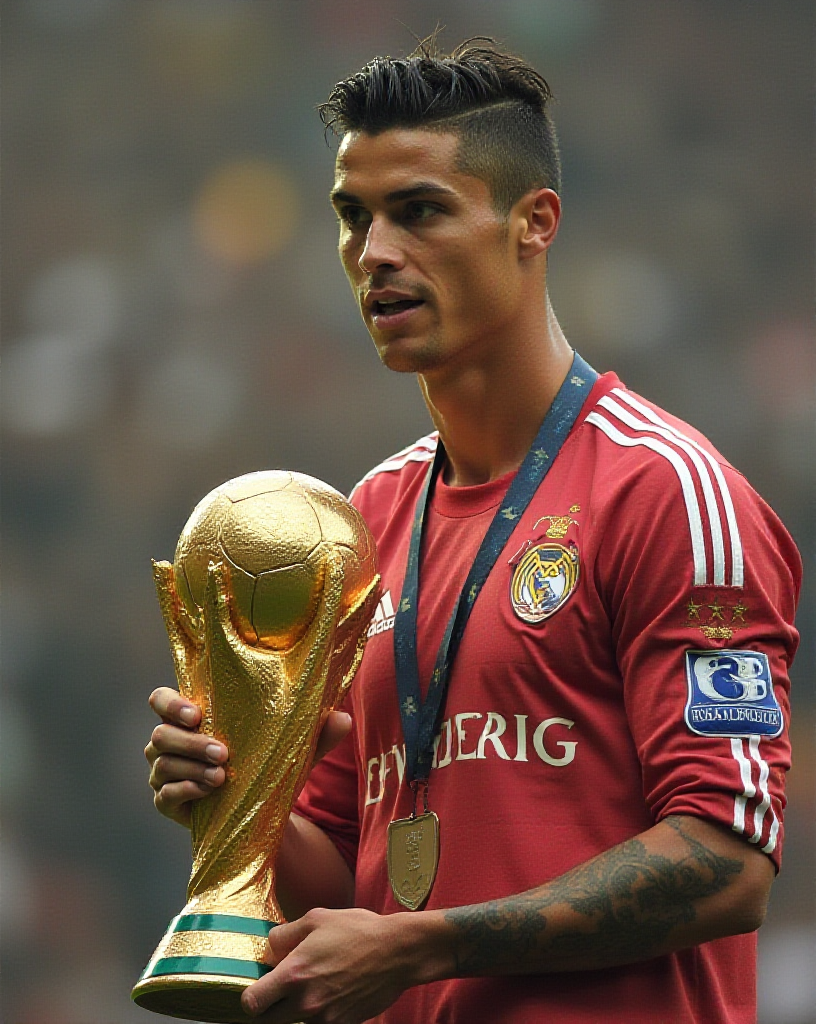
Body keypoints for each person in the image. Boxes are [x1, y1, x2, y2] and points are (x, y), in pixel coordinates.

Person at [145, 37, 801, 1024]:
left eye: (418, 212)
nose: (374, 253)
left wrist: (426, 942)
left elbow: (726, 860)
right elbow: (348, 890)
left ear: (533, 224)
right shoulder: (362, 520)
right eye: (352, 217)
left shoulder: (667, 493)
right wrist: (237, 802)